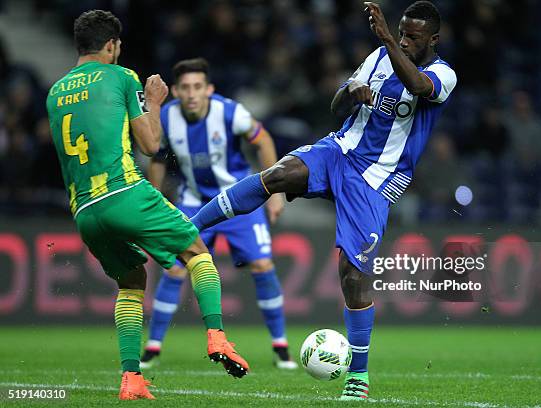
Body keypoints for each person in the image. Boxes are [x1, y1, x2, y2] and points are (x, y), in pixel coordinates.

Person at [189, 1, 457, 400]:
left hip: (376, 178)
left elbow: (419, 88)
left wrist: (387, 39)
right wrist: (350, 91)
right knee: (277, 174)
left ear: (433, 39)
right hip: (339, 151)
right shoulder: (379, 57)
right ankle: (188, 225)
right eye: (401, 32)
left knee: (353, 273)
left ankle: (359, 377)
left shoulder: (443, 73)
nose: (403, 40)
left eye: (413, 36)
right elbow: (336, 104)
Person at [45, 10, 249, 401]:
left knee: (132, 281)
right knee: (197, 252)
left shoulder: (54, 92)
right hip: (123, 192)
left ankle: (131, 378)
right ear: (111, 46)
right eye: (118, 47)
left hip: (85, 211)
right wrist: (154, 102)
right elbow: (151, 145)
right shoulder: (122, 77)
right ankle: (218, 337)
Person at [139, 57, 297, 370]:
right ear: (175, 91)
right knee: (174, 268)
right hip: (195, 201)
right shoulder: (167, 117)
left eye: (198, 86)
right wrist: (155, 200)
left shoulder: (229, 111)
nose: (192, 93)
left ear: (209, 89)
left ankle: (281, 348)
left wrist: (276, 193)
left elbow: (263, 139)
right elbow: (157, 158)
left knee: (263, 265)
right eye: (185, 88)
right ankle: (153, 348)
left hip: (238, 202)